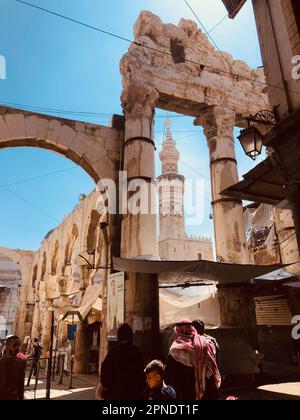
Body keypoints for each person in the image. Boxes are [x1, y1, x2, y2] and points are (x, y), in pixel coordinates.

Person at [165, 320, 221, 400]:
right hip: (206, 391)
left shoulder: (176, 349)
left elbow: (169, 377)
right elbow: (214, 369)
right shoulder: (207, 344)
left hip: (185, 393)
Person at [100, 323, 145, 400]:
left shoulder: (113, 353)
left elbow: (105, 377)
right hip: (134, 395)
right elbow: (142, 376)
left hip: (115, 395)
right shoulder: (137, 352)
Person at [192, 319, 221, 400]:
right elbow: (217, 359)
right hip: (212, 375)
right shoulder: (212, 340)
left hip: (200, 377)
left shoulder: (193, 343)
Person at [0, 335, 26, 400]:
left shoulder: (21, 362)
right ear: (8, 346)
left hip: (14, 395)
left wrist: (21, 397)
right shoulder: (1, 361)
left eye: (18, 345)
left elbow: (21, 382)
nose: (17, 347)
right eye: (14, 345)